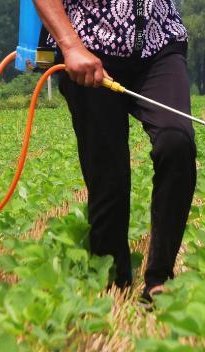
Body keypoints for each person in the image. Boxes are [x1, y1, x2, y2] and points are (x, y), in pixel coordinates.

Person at [33, 0, 196, 302]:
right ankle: (112, 283)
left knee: (177, 142)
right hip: (88, 47)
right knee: (107, 175)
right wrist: (70, 46)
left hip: (159, 41)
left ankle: (160, 280)